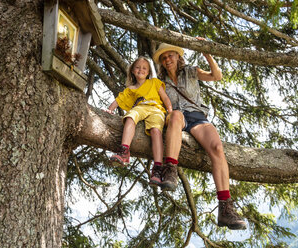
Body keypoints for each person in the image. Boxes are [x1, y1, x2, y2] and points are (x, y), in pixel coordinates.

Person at [152, 40, 247, 230]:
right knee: (176, 115)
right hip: (175, 118)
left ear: (178, 56)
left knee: (217, 149)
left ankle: (225, 209)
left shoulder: (191, 71)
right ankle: (170, 171)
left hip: (197, 117)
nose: (167, 59)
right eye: (163, 58)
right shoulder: (160, 82)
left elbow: (216, 76)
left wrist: (207, 54)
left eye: (170, 55)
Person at [104, 56, 172, 186]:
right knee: (130, 117)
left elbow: (165, 98)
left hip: (156, 109)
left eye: (144, 68)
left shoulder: (154, 82)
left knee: (156, 131)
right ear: (133, 71)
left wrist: (170, 111)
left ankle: (157, 168)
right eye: (138, 67)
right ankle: (124, 151)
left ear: (148, 72)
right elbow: (119, 100)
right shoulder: (131, 89)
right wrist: (110, 110)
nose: (141, 70)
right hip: (140, 107)